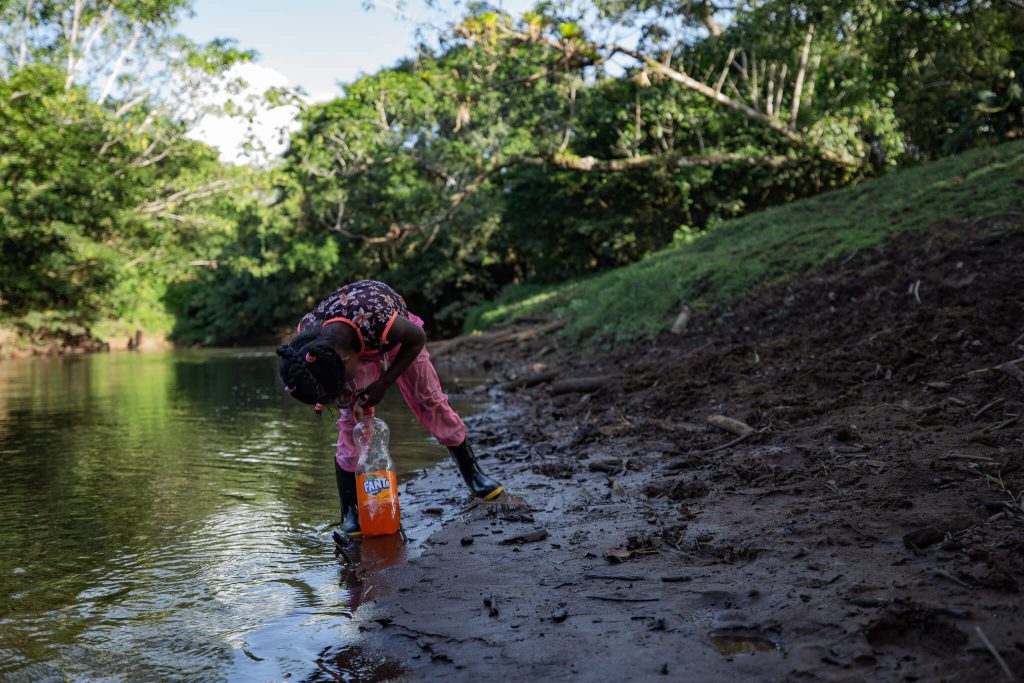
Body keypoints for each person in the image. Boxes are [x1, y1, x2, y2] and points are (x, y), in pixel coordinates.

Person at [275, 280, 504, 538]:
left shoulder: (378, 318)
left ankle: (473, 474)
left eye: (342, 386)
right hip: (349, 347)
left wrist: (384, 382)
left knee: (430, 401)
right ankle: (350, 511)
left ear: (347, 361)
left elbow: (418, 339)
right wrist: (345, 397)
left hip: (398, 343)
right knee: (351, 422)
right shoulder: (309, 341)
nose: (343, 393)